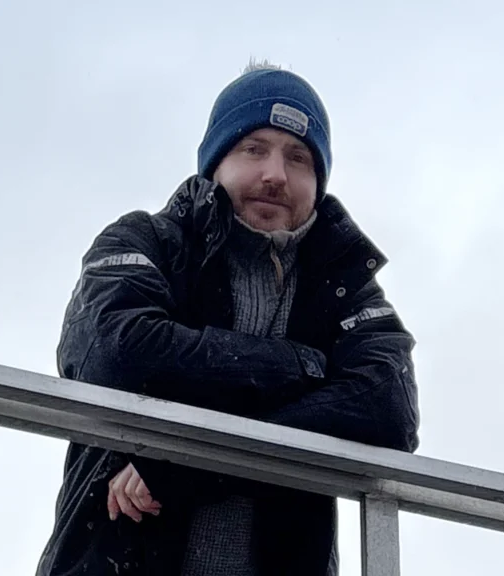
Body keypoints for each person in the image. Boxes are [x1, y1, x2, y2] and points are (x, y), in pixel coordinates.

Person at [35, 60, 421, 576]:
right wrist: (302, 366)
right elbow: (116, 356)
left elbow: (387, 408)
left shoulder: (345, 286)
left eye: (299, 158)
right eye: (253, 149)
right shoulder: (145, 242)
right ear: (215, 161)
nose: (275, 175)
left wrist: (184, 465)